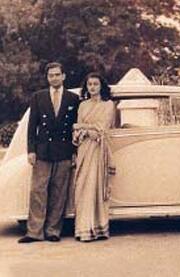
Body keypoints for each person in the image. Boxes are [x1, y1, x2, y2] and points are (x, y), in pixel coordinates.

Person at [19, 62, 80, 243]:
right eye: (50, 75)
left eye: (57, 74)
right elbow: (32, 127)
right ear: (47, 78)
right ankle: (34, 232)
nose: (54, 78)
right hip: (43, 151)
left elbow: (76, 128)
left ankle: (53, 230)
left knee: (59, 192)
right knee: (38, 191)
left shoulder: (73, 99)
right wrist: (31, 150)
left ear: (63, 76)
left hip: (64, 151)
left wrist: (74, 152)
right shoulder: (38, 97)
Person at [73, 72, 115, 242]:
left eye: (95, 84)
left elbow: (102, 129)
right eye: (89, 84)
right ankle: (83, 229)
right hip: (83, 150)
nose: (92, 87)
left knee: (96, 187)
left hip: (99, 150)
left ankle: (98, 228)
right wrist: (83, 129)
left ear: (101, 86)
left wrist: (83, 127)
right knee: (82, 187)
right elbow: (76, 130)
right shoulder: (82, 105)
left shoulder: (108, 105)